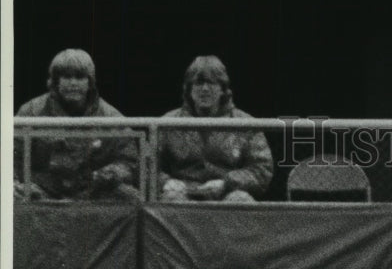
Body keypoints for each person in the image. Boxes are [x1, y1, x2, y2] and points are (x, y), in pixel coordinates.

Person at [14, 49, 139, 201]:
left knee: (131, 197)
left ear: (90, 82)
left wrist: (107, 174)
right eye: (67, 77)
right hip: (42, 192)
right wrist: (18, 184)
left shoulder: (111, 116)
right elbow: (12, 156)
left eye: (80, 77)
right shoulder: (31, 111)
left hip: (92, 192)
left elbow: (129, 160)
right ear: (55, 81)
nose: (73, 83)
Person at [158, 56, 273, 203]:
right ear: (189, 89)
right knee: (171, 198)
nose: (205, 89)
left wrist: (227, 183)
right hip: (183, 195)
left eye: (211, 83)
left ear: (223, 89)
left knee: (241, 199)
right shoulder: (168, 122)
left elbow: (262, 169)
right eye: (199, 83)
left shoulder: (245, 123)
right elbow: (147, 166)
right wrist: (166, 182)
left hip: (227, 194)